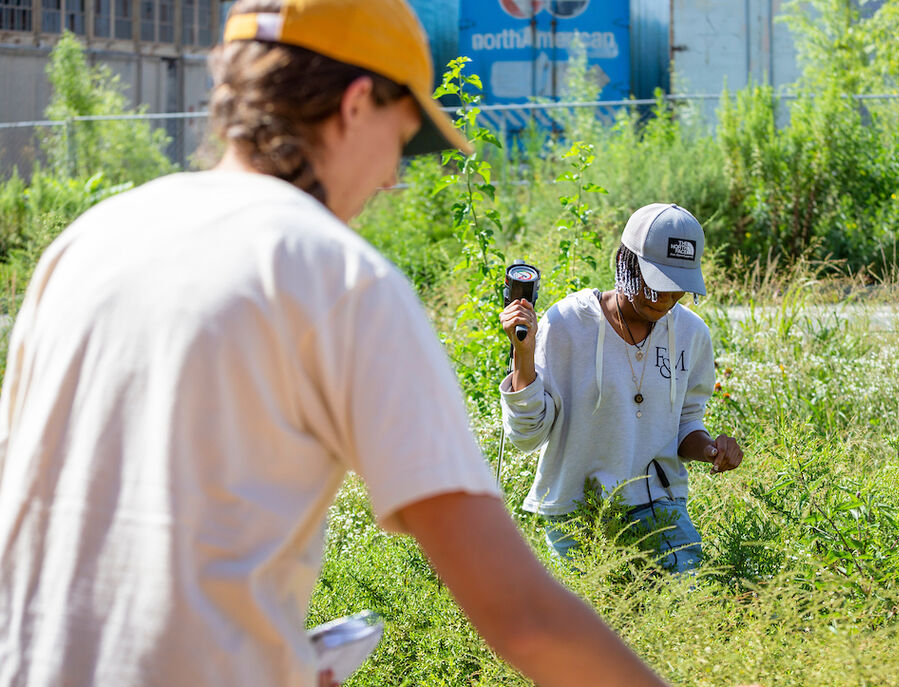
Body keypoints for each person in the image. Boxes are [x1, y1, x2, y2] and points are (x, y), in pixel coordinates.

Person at [0, 1, 669, 685]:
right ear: (355, 105)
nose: (389, 181)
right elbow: (521, 612)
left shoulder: (86, 245)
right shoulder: (338, 280)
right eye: (401, 143)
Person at [499, 203, 744, 574]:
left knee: (687, 600)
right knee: (591, 623)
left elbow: (685, 423)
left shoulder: (692, 335)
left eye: (677, 286)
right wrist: (524, 353)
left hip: (661, 504)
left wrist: (710, 448)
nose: (664, 298)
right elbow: (527, 436)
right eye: (655, 282)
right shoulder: (568, 323)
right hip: (576, 513)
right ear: (625, 264)